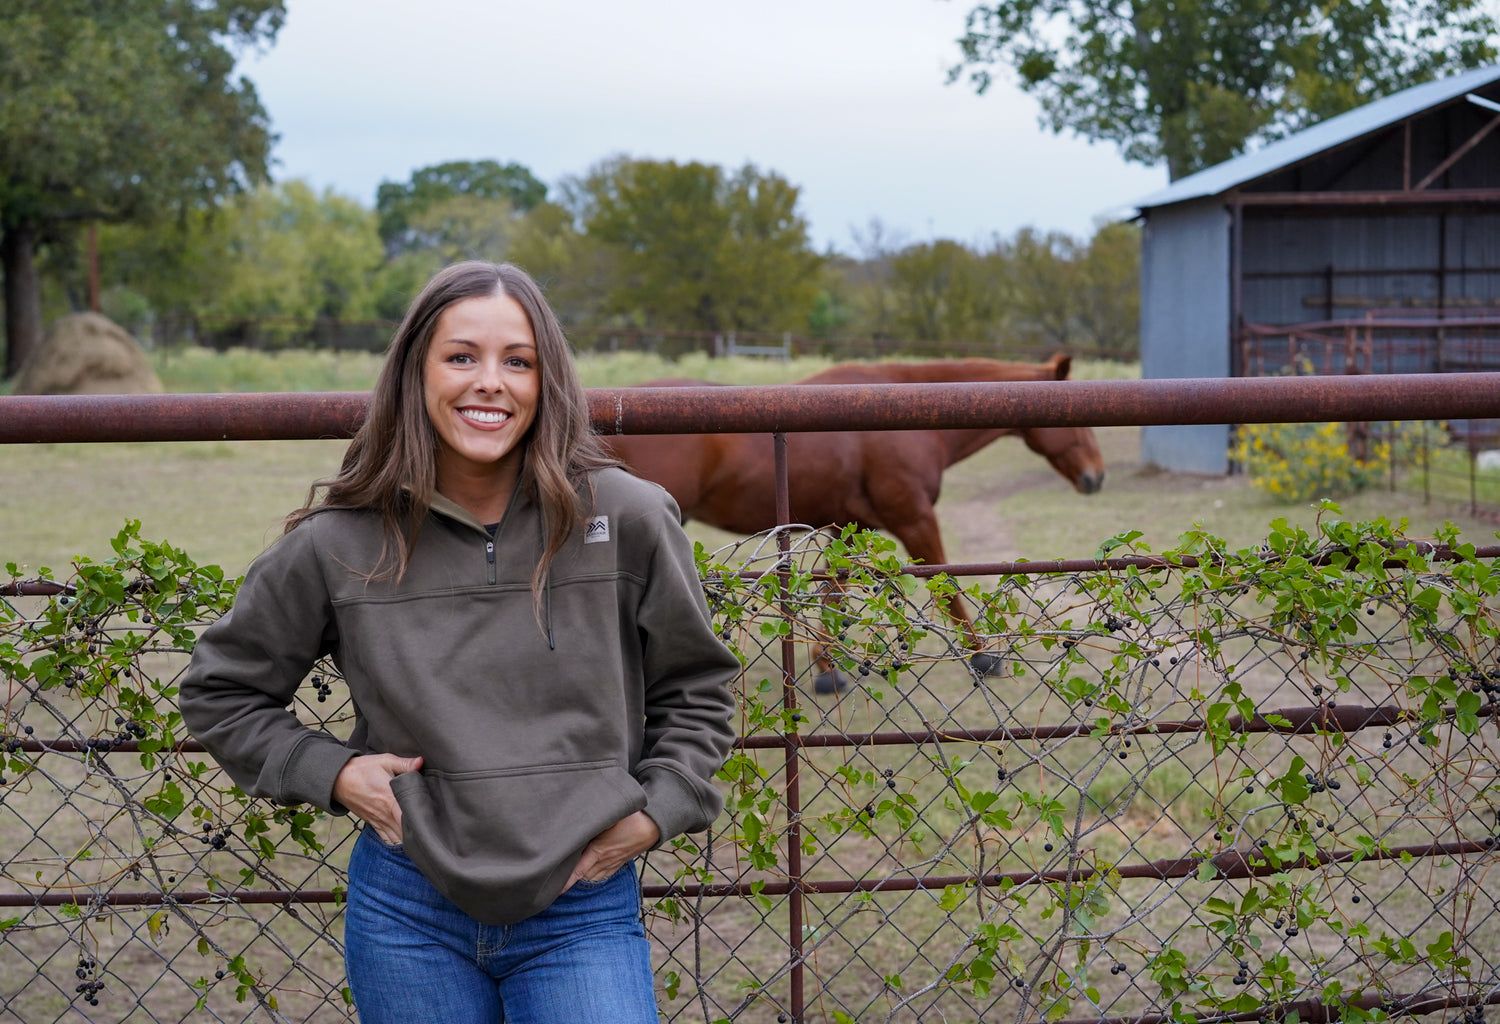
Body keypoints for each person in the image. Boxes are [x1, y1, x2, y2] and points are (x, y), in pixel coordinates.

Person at [179, 261, 740, 1023]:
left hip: (581, 904)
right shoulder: (339, 541)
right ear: (416, 373)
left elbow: (696, 689)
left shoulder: (628, 517)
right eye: (461, 357)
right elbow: (221, 691)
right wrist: (336, 774)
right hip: (408, 908)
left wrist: (655, 812)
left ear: (549, 382)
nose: (490, 382)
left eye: (518, 361)